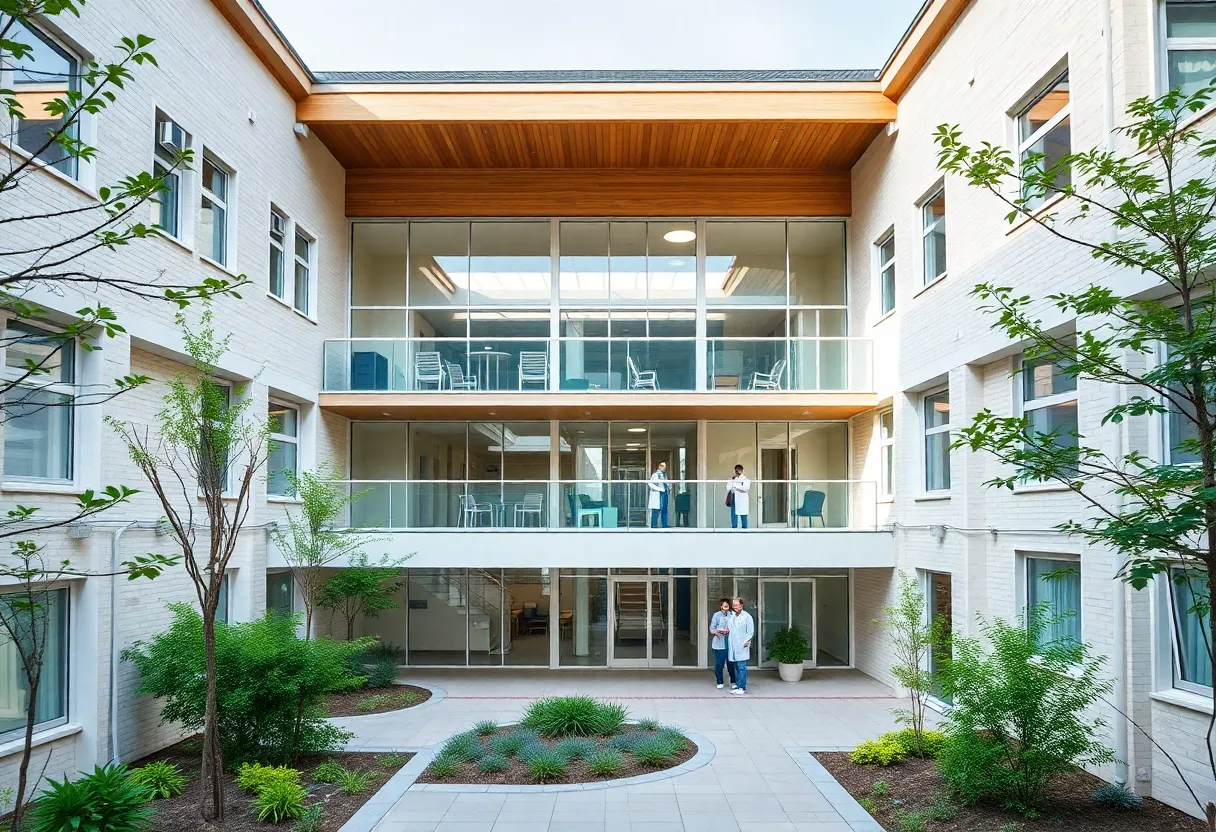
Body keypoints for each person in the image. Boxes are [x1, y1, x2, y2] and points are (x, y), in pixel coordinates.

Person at [727, 597, 754, 696]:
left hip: (742, 645)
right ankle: (738, 686)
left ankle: (742, 687)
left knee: (741, 667)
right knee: (736, 666)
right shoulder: (732, 616)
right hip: (733, 644)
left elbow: (750, 632)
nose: (735, 607)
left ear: (742, 605)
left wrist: (746, 641)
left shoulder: (747, 617)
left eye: (737, 605)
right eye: (734, 605)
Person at [709, 598, 737, 690]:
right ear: (721, 606)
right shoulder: (716, 615)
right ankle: (719, 681)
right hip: (719, 642)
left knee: (731, 664)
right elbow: (712, 628)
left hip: (730, 642)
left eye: (727, 605)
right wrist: (717, 632)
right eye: (724, 605)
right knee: (719, 664)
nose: (726, 607)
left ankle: (733, 682)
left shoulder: (732, 614)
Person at [726, 464, 750, 529]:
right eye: (736, 471)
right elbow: (728, 487)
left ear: (742, 471)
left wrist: (736, 486)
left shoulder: (745, 479)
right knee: (733, 513)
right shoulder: (733, 479)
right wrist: (732, 480)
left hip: (742, 499)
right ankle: (734, 527)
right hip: (734, 497)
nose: (737, 472)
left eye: (738, 470)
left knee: (743, 514)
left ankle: (744, 528)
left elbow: (746, 488)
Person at [648, 460, 670, 528]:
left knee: (664, 510)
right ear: (659, 466)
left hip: (664, 493)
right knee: (656, 510)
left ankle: (665, 525)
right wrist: (659, 489)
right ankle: (654, 526)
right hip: (659, 494)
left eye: (665, 466)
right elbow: (650, 484)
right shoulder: (655, 475)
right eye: (663, 466)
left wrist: (668, 488)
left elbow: (666, 483)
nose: (664, 468)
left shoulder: (665, 475)